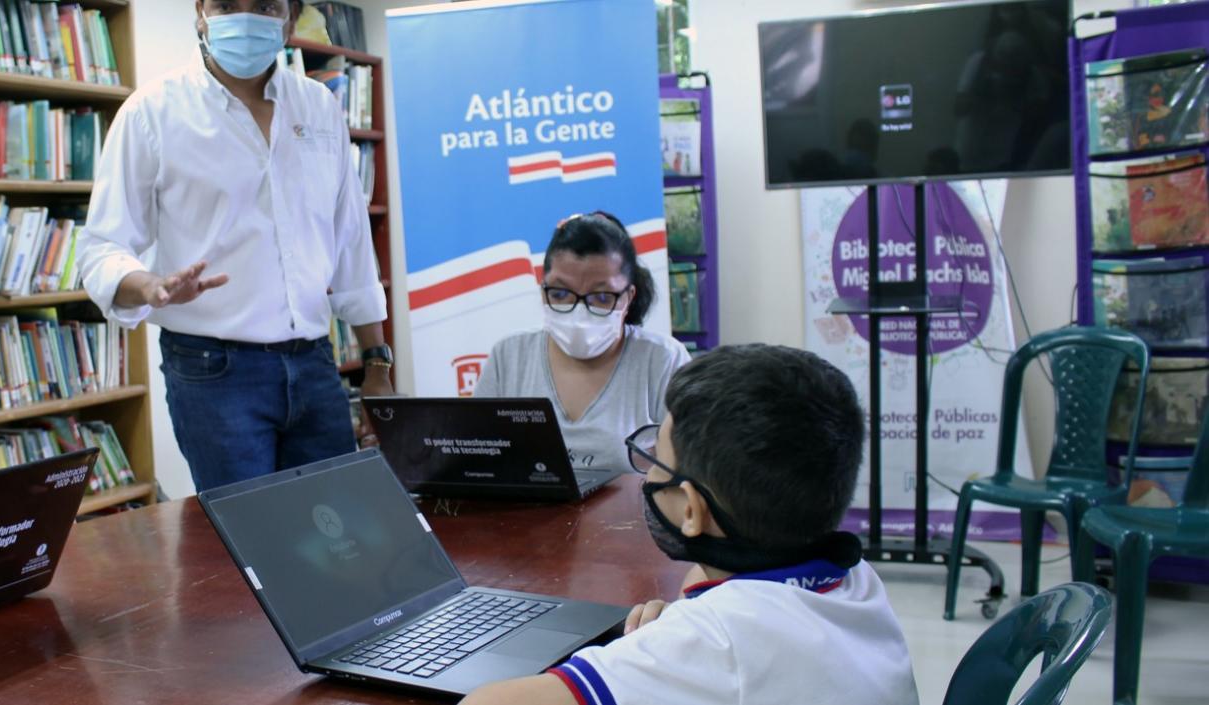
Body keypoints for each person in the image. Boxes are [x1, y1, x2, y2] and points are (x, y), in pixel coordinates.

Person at [461, 345, 920, 705]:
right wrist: (680, 629)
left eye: (657, 459)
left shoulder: (715, 641)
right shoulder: (854, 579)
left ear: (691, 511)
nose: (649, 474)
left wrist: (671, 643)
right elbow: (714, 587)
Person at [78, 0, 393, 492]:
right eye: (227, 4)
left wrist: (376, 363)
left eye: (265, 5)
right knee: (248, 531)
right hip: (214, 372)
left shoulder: (318, 106)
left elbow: (351, 242)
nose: (245, 18)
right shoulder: (151, 112)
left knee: (336, 521)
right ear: (201, 11)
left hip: (314, 362)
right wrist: (151, 285)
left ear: (289, 18)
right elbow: (101, 247)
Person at [474, 212, 690, 473]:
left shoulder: (664, 360)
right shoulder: (509, 356)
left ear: (628, 296)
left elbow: (688, 472)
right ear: (542, 288)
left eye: (602, 297)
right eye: (560, 294)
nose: (579, 313)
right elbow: (479, 460)